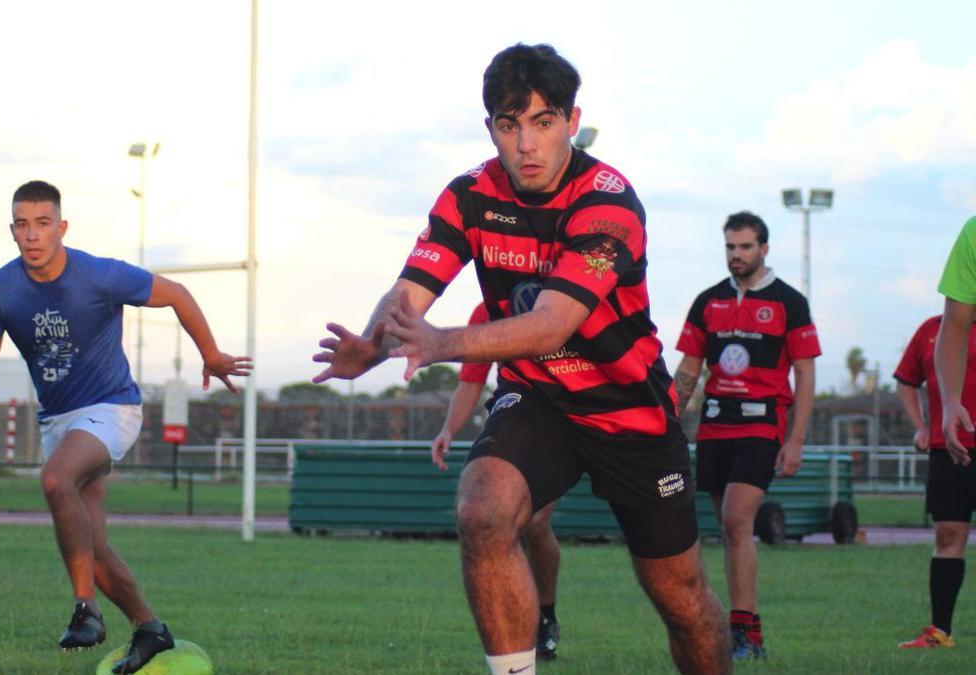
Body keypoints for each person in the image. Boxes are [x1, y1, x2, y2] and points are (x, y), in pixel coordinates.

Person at [313, 44, 729, 675]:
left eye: (543, 122)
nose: (526, 144)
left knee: (681, 597)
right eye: (510, 126)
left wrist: (441, 342)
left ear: (571, 120)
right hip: (538, 399)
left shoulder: (608, 202)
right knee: (483, 509)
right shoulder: (470, 195)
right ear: (491, 129)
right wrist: (373, 345)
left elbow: (550, 325)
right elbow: (410, 292)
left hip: (629, 410)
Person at [0, 181, 251, 674]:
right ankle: (150, 628)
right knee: (91, 548)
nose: (32, 234)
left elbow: (178, 294)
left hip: (112, 408)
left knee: (56, 480)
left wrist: (211, 354)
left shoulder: (99, 275)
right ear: (12, 230)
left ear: (61, 227)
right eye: (22, 224)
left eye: (42, 223)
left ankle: (86, 611)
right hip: (58, 419)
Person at [673, 211, 820, 660]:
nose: (736, 255)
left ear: (764, 249)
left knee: (738, 520)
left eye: (745, 247)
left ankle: (743, 635)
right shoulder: (707, 302)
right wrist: (665, 419)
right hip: (715, 426)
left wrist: (795, 441)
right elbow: (688, 372)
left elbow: (805, 377)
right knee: (729, 528)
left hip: (763, 424)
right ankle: (744, 629)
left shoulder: (789, 303)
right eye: (730, 247)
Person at [430, 303, 562, 661]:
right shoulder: (486, 307)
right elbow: (472, 379)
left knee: (536, 524)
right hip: (522, 416)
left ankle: (546, 614)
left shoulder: (572, 286)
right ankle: (527, 633)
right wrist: (449, 429)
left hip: (580, 413)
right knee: (514, 519)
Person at [896, 215, 976, 648]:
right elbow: (907, 379)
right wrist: (940, 413)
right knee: (948, 534)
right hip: (957, 442)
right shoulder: (933, 330)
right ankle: (940, 631)